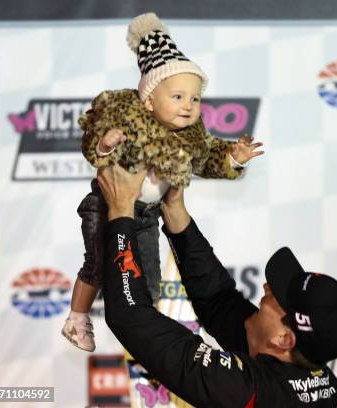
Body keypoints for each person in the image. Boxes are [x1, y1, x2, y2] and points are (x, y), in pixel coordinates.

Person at [61, 12, 264, 352]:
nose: (189, 106)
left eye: (195, 99)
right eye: (178, 97)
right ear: (150, 99)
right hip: (104, 204)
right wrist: (105, 144)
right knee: (97, 265)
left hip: (146, 215)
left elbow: (209, 155)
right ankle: (76, 318)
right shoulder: (124, 117)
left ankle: (145, 335)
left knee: (148, 282)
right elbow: (92, 143)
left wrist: (233, 157)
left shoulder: (191, 137)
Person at [97, 164, 337, 407]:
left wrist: (120, 214)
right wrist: (175, 211)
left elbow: (131, 318)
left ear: (284, 338)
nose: (266, 288)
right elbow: (218, 301)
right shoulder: (315, 373)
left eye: (276, 297)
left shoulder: (244, 391)